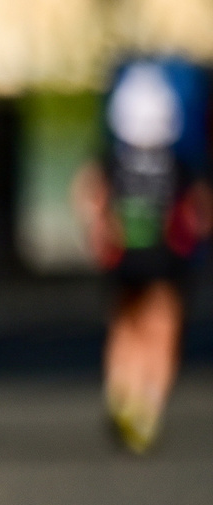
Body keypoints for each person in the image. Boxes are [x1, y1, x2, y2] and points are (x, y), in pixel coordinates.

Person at [72, 54, 209, 454]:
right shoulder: (179, 164)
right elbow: (199, 212)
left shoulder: (112, 160)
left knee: (125, 323)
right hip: (166, 258)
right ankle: (147, 404)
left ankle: (120, 389)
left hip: (123, 257)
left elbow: (87, 194)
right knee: (162, 325)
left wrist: (97, 231)